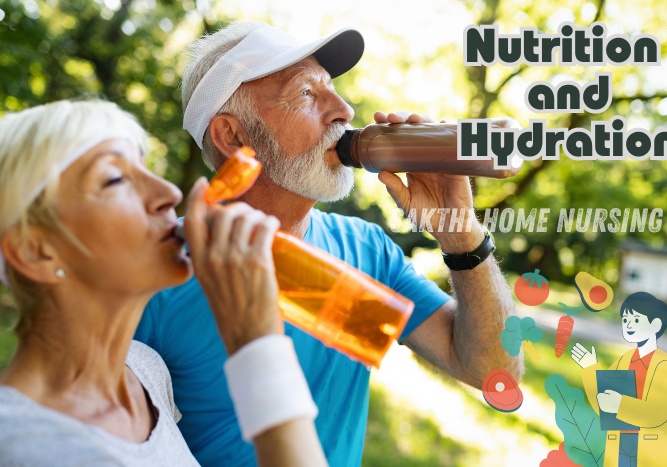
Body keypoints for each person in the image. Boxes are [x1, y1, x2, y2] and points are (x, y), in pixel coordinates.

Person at [135, 21, 524, 466]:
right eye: (305, 93)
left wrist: (460, 232)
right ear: (234, 136)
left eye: (334, 89)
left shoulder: (365, 250)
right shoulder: (154, 269)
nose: (344, 109)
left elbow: (493, 371)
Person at [0, 100, 327, 466]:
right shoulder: (24, 445)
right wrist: (256, 343)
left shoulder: (144, 373)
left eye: (144, 168)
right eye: (114, 179)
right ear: (36, 251)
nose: (170, 194)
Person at [571, 292, 667, 467]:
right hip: (620, 449)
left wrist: (619, 404)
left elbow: (657, 413)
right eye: (625, 320)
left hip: (650, 454)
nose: (628, 324)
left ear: (655, 325)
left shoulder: (665, 365)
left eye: (636, 320)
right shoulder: (623, 361)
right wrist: (590, 368)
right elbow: (603, 404)